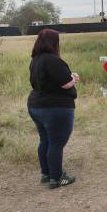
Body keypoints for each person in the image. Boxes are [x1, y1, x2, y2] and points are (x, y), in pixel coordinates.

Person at [27, 29, 79, 189]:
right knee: (56, 143)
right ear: (54, 42)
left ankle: (46, 174)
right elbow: (66, 83)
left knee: (45, 141)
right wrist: (74, 78)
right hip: (55, 108)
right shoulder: (53, 60)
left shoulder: (35, 60)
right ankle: (56, 178)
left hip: (36, 105)